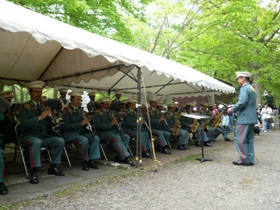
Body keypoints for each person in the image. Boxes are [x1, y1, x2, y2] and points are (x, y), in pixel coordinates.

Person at [19, 81, 65, 184]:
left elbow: (48, 125)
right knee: (37, 142)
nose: (38, 94)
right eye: (36, 92)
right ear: (30, 93)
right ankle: (33, 171)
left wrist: (51, 116)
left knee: (60, 141)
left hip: (42, 136)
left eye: (40, 91)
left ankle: (53, 167)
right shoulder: (25, 107)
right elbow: (23, 124)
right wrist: (39, 117)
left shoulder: (43, 106)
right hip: (28, 136)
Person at [63, 91, 100, 170]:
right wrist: (81, 123)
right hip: (70, 134)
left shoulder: (80, 110)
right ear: (71, 99)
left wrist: (87, 122)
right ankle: (85, 161)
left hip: (80, 133)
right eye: (77, 99)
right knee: (84, 140)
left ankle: (92, 160)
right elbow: (66, 126)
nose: (79, 101)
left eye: (80, 99)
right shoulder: (66, 110)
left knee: (95, 138)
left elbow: (83, 124)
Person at [94, 97, 135, 166]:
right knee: (116, 138)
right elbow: (97, 126)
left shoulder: (110, 112)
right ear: (101, 104)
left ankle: (119, 156)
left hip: (112, 131)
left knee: (126, 137)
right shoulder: (97, 113)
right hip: (103, 133)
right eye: (106, 104)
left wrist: (117, 120)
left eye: (108, 104)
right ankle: (125, 157)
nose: (108, 105)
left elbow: (116, 121)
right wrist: (110, 124)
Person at [227, 71, 257, 166]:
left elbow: (242, 102)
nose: (237, 80)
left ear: (243, 78)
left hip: (244, 118)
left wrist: (232, 108)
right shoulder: (252, 88)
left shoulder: (244, 88)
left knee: (240, 139)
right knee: (249, 139)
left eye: (238, 78)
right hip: (251, 117)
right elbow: (248, 103)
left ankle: (244, 159)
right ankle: (250, 159)